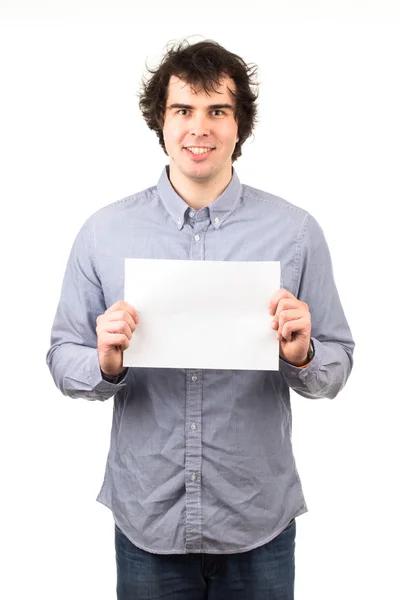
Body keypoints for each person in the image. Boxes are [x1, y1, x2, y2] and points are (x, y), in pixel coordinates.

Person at [46, 39, 354, 600]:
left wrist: (302, 354)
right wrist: (106, 361)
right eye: (182, 110)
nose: (199, 128)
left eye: (218, 111)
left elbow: (337, 364)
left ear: (240, 126)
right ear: (160, 122)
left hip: (257, 517)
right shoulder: (103, 233)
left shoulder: (296, 233)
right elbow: (62, 356)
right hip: (148, 520)